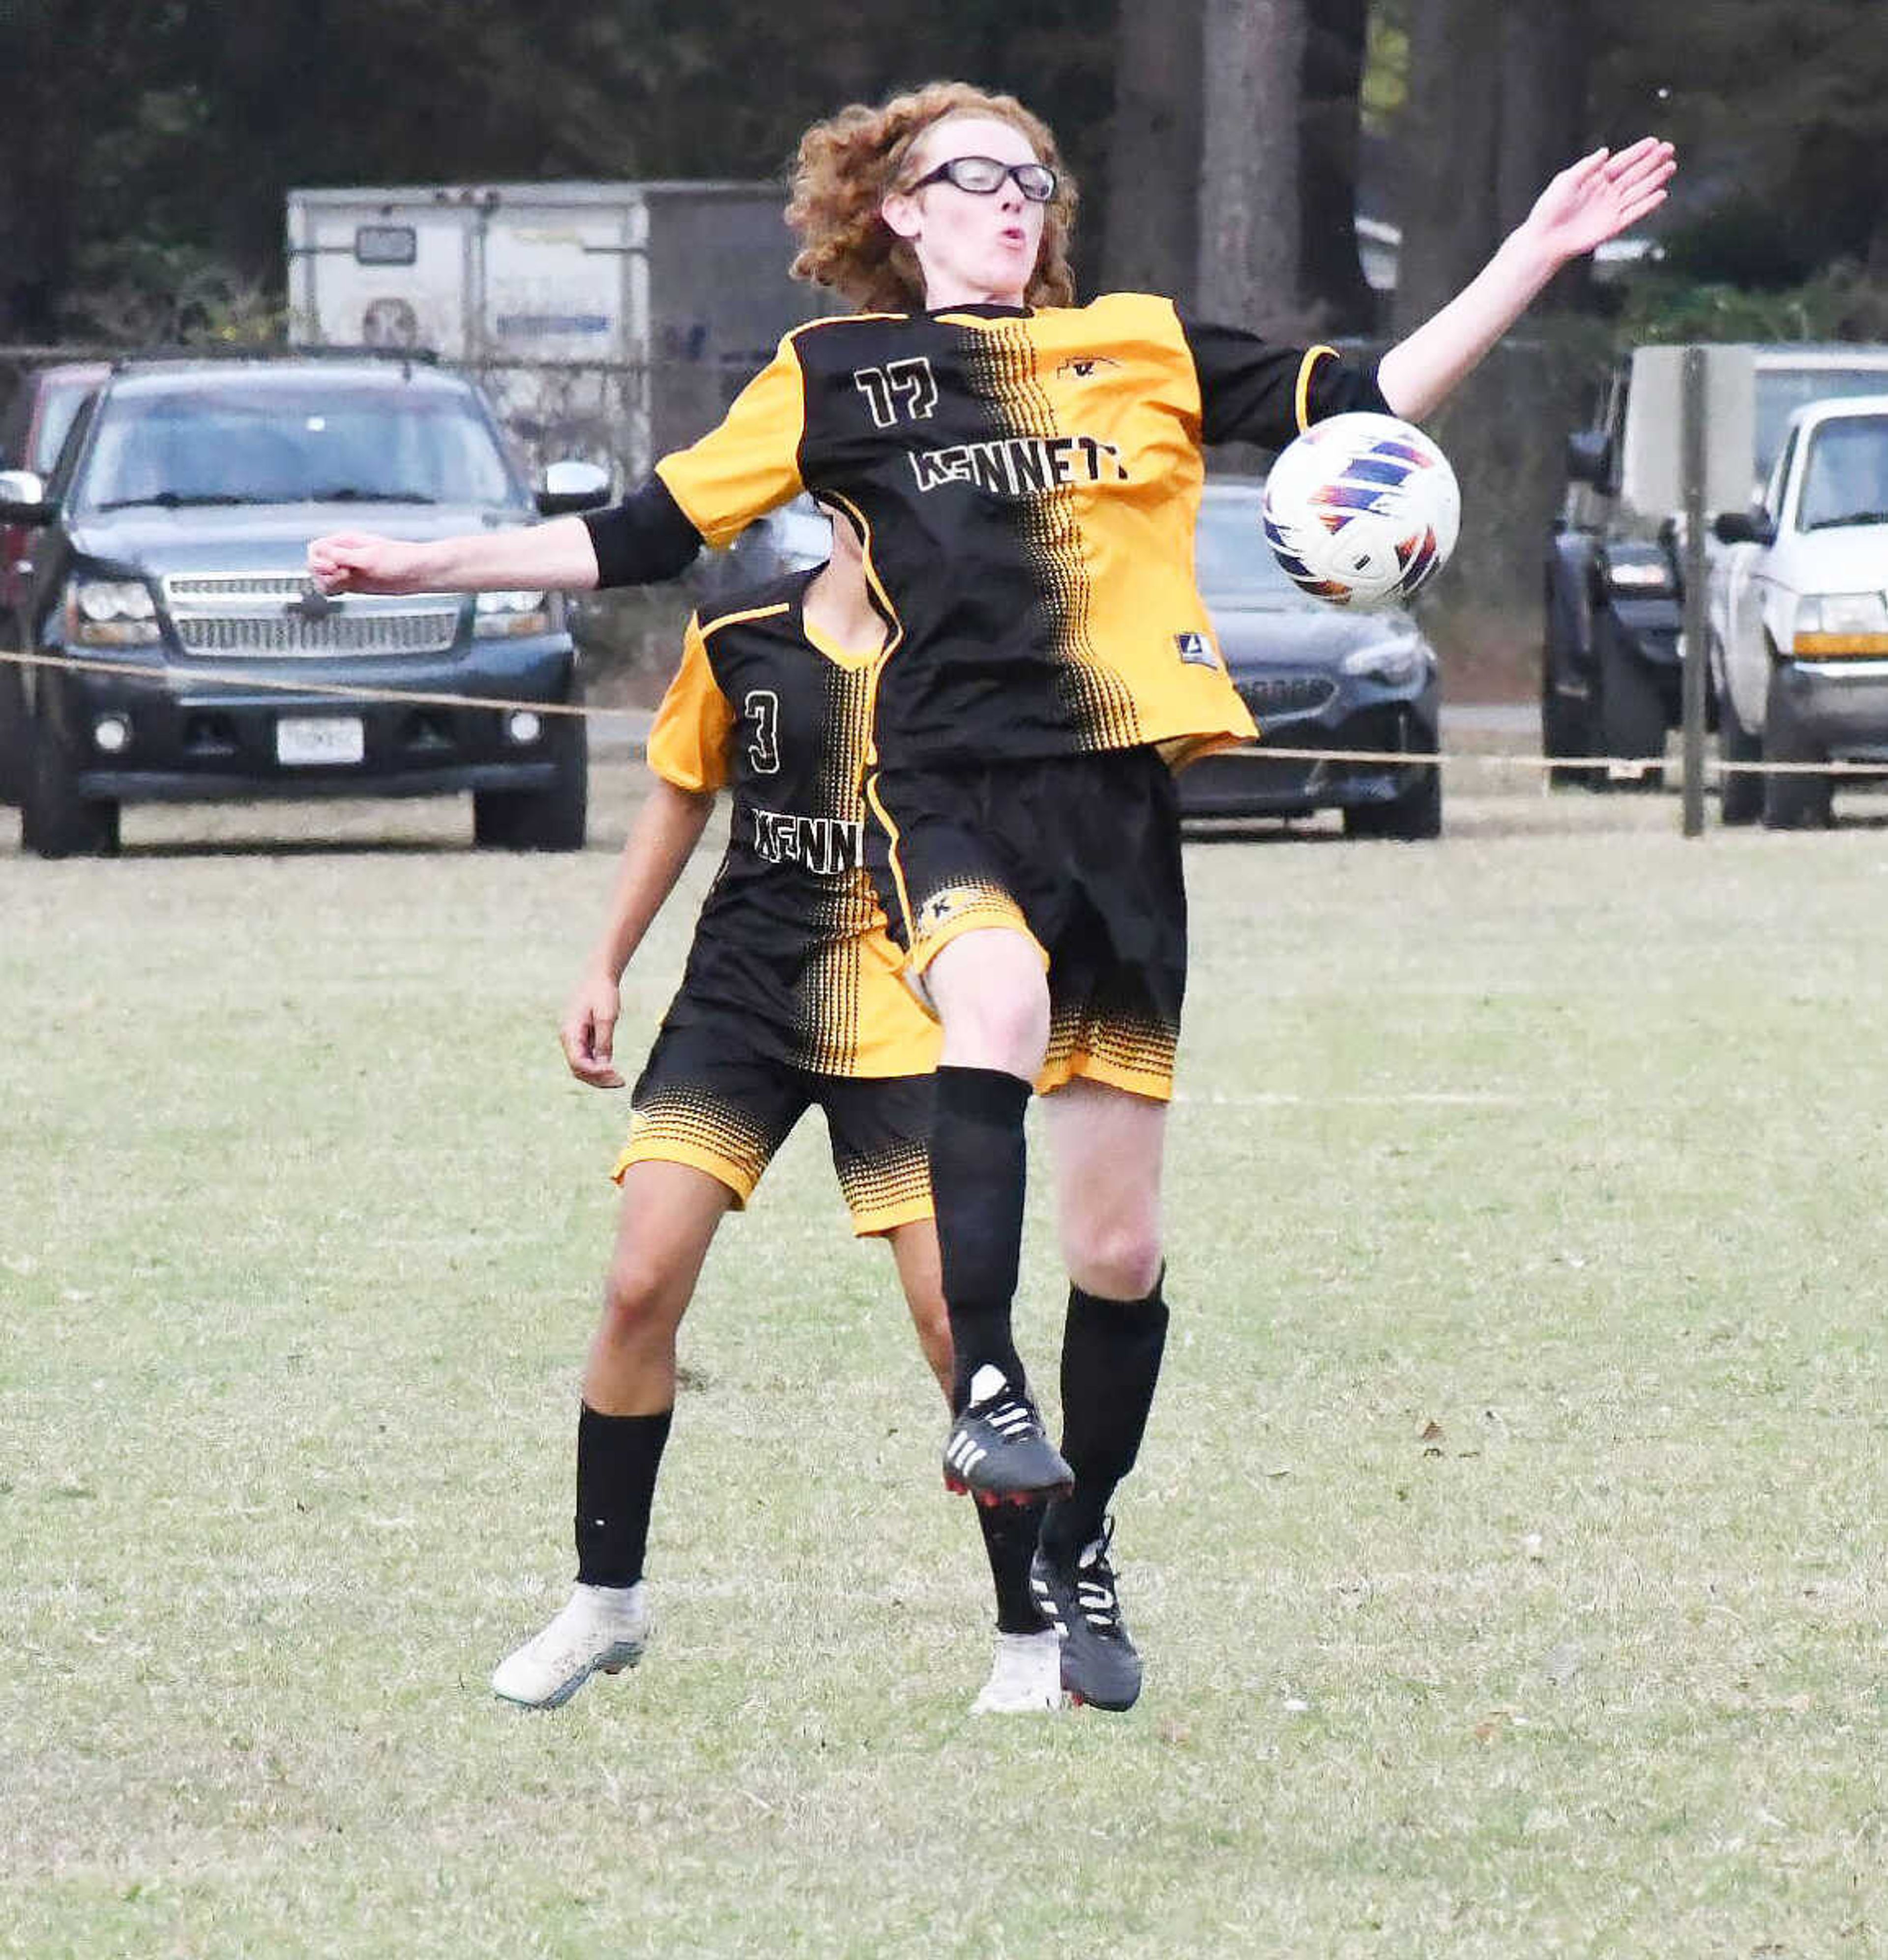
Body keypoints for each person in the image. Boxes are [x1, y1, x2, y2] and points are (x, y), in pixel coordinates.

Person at [312, 84, 1675, 1713]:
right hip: (946, 786)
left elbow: (1369, 399)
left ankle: (1079, 1543)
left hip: (1121, 813)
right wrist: (423, 564)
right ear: (900, 208)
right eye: (978, 178)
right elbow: (637, 533)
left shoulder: (1141, 348)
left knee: (1119, 1246)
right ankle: (985, 1383)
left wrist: (1530, 247)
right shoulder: (834, 376)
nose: (1016, 202)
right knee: (993, 999)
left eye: (1034, 180)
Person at [489, 508, 1062, 1716]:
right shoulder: (742, 630)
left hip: (907, 1013)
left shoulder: (966, 649)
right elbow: (679, 795)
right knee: (640, 1284)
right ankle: (605, 1600)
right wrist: (605, 964)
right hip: (743, 997)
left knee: (957, 1332)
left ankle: (1030, 1634)